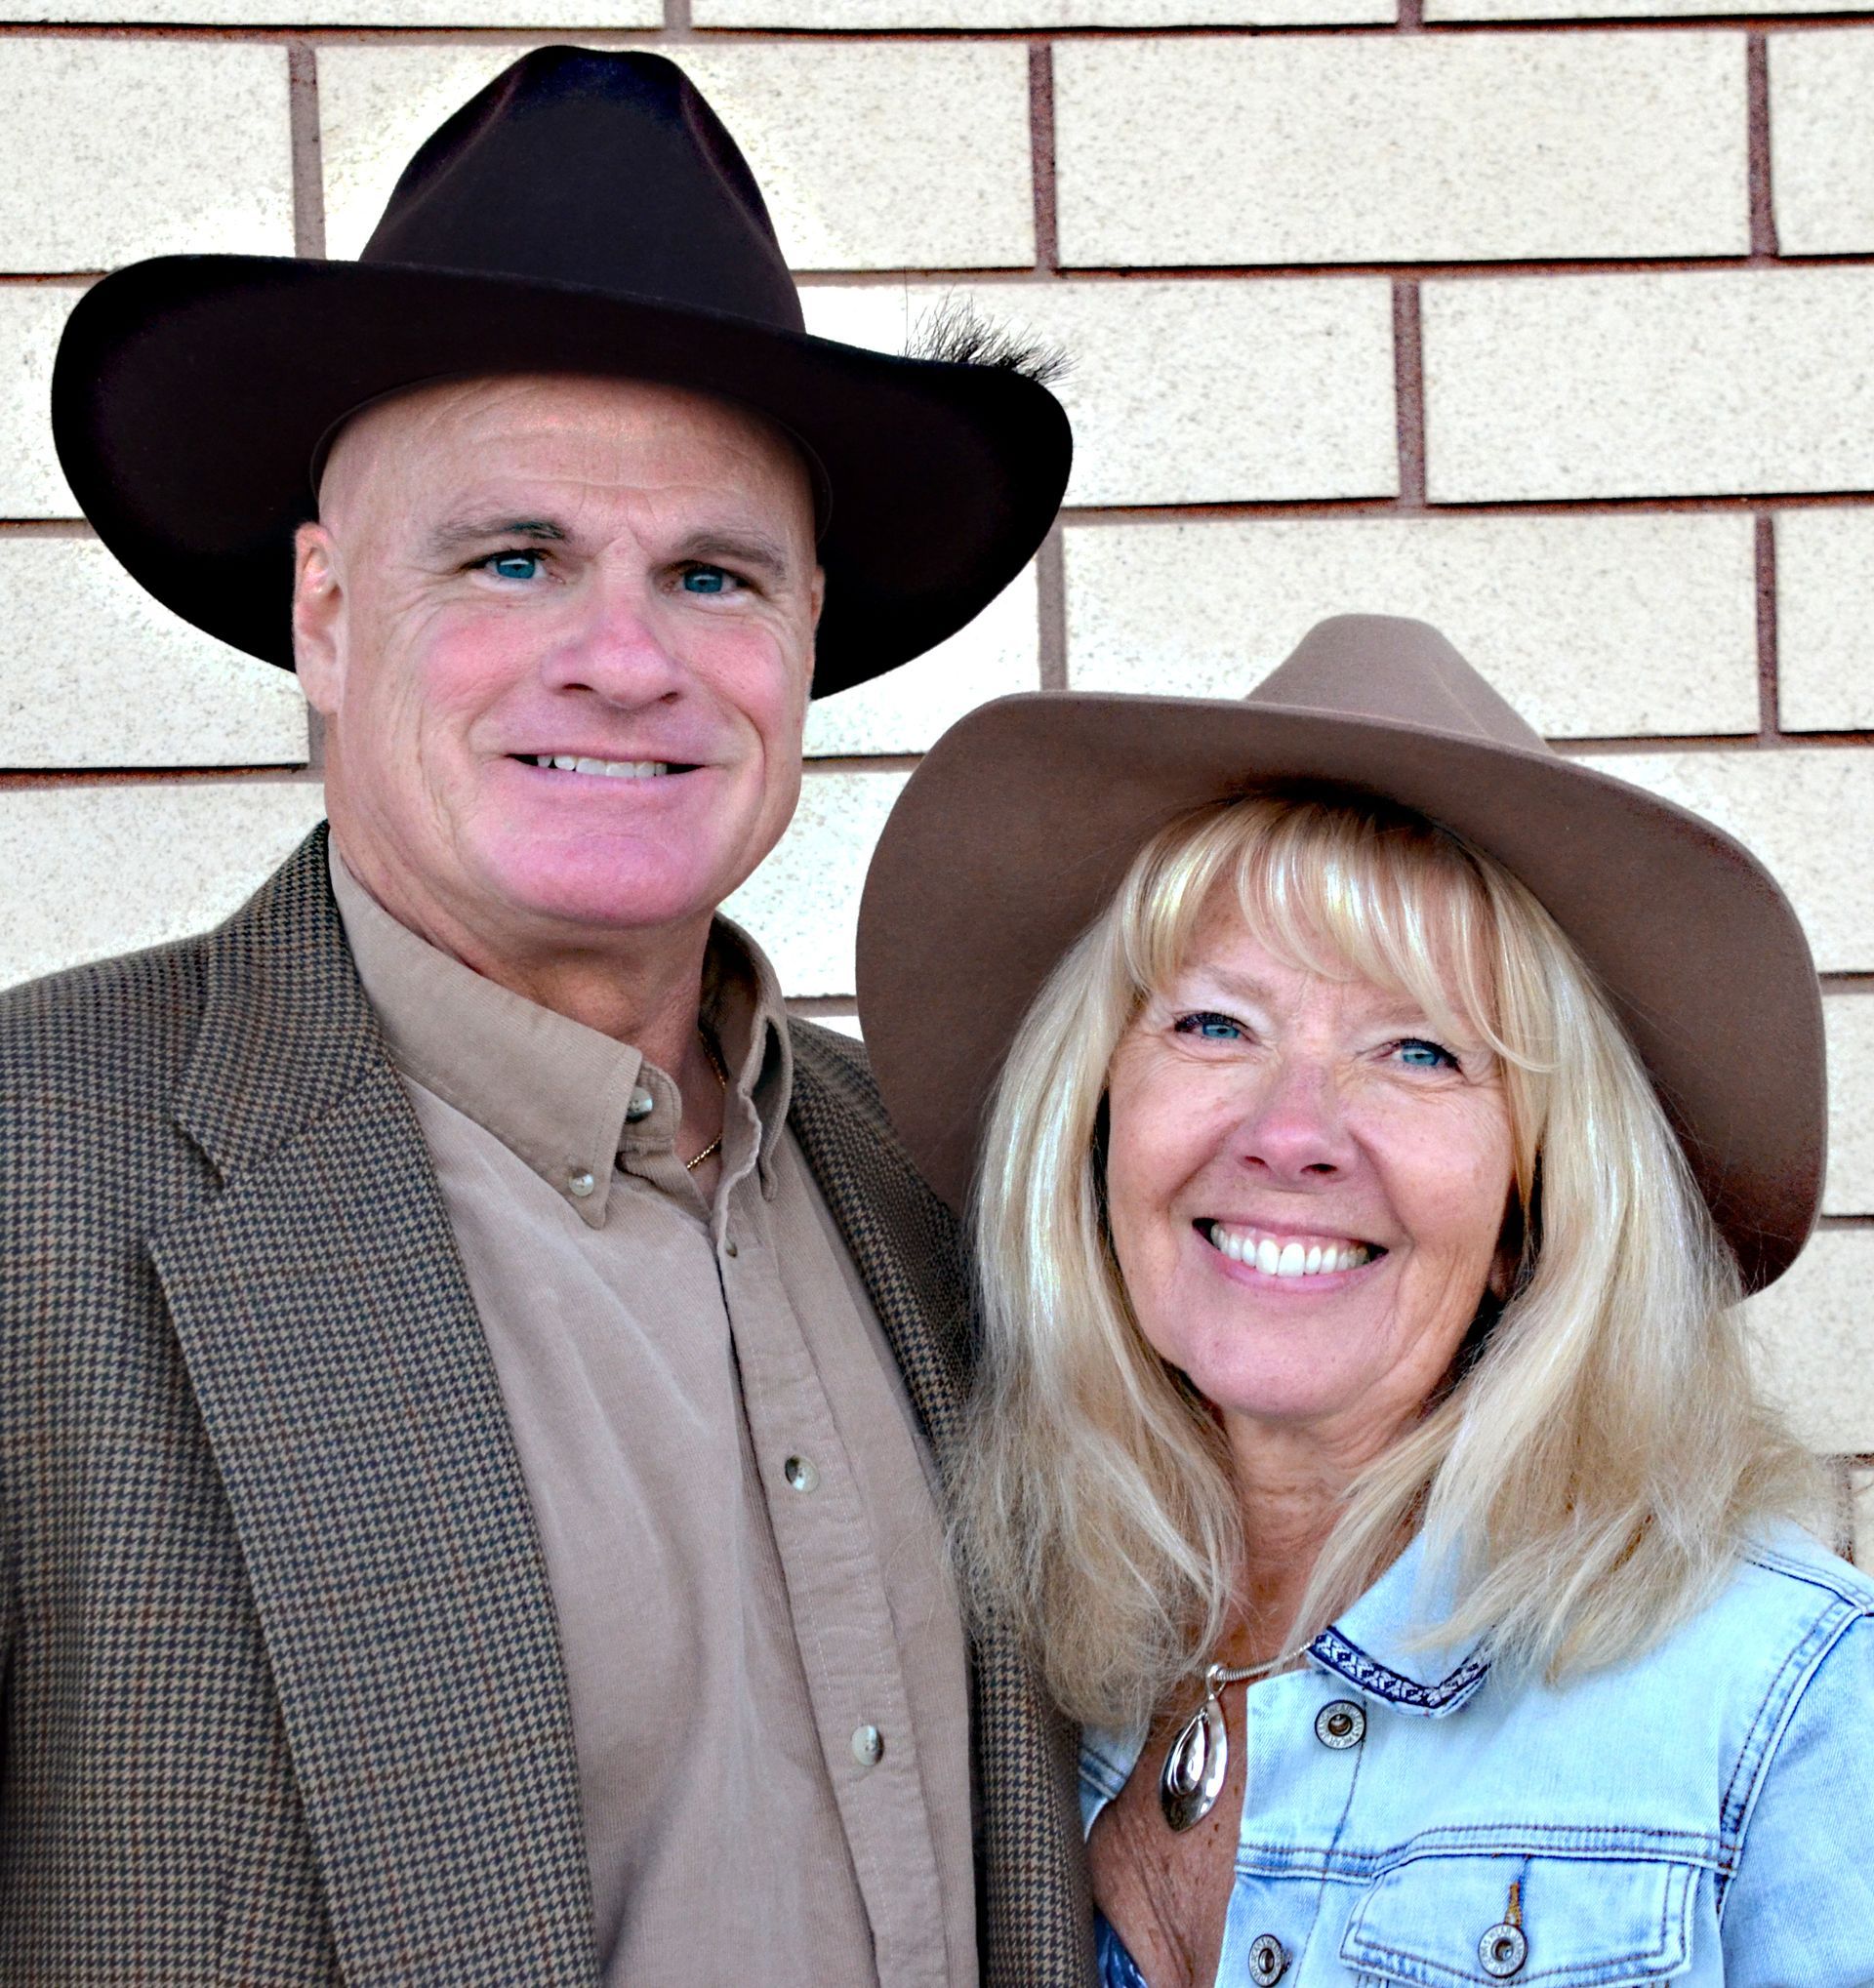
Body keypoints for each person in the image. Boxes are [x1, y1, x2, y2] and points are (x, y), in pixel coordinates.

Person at [0, 47, 1088, 1987]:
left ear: (805, 637)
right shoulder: (28, 1172)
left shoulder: (949, 1184)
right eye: (515, 559)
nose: (625, 659)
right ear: (328, 615)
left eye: (713, 575)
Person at [855, 613, 1874, 1986]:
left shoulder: (1794, 1705)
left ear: (1530, 1209)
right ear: (1095, 1127)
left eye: (1418, 1050)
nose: (1292, 1134)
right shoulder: (993, 1668)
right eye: (1215, 1023)